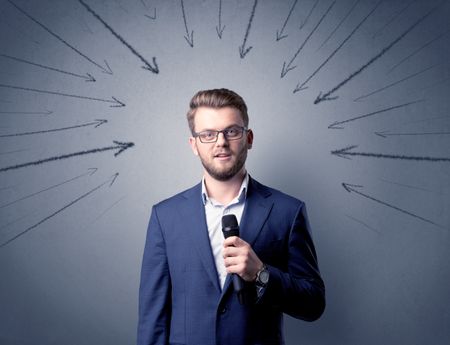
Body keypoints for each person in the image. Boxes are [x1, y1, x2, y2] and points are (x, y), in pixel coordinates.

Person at [137, 88, 325, 345]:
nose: (221, 142)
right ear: (193, 145)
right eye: (208, 134)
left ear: (248, 138)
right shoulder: (165, 217)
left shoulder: (287, 211)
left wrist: (261, 273)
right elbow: (152, 319)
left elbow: (313, 304)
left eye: (231, 131)